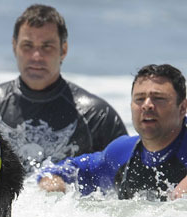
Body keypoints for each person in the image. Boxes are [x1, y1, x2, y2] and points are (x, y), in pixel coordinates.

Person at [0, 4, 127, 172]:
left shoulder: (97, 117)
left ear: (64, 50)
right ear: (15, 47)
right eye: (27, 46)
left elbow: (128, 186)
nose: (36, 56)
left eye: (47, 46)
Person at [38, 64, 187, 201]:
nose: (147, 105)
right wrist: (52, 180)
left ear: (182, 108)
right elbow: (64, 170)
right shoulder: (122, 153)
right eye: (139, 99)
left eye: (158, 98)